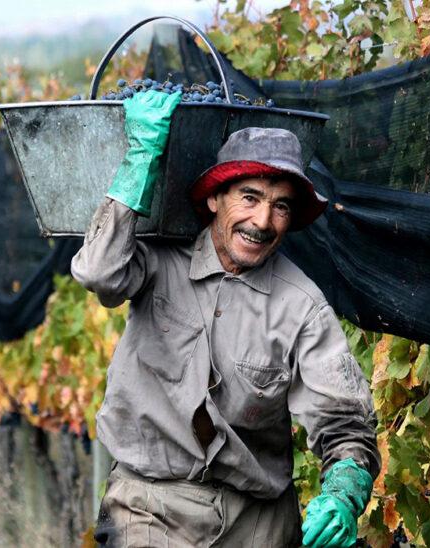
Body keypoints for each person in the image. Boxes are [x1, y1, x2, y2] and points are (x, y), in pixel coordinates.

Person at [72, 91, 380, 547]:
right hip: (149, 504)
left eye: (281, 206)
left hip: (256, 520)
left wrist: (343, 492)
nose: (263, 220)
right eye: (250, 198)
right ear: (215, 198)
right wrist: (140, 159)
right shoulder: (158, 262)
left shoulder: (302, 307)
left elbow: (344, 424)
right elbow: (98, 273)